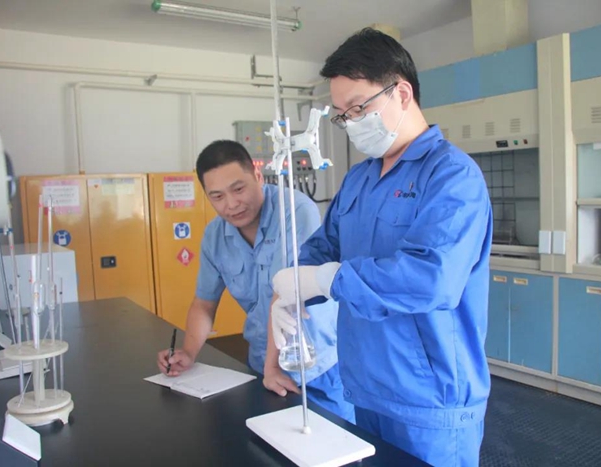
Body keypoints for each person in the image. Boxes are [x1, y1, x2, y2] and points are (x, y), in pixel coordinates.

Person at [270, 28, 492, 466]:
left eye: (358, 108)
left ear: (402, 93)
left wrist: (326, 280)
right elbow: (326, 247)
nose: (351, 123)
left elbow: (431, 279)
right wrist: (290, 286)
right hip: (366, 389)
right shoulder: (359, 179)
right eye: (342, 115)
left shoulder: (451, 175)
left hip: (429, 401)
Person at [157, 140, 354, 423]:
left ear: (258, 176)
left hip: (317, 363)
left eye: (239, 189)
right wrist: (187, 353)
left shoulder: (295, 210)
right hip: (262, 362)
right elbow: (204, 303)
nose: (231, 204)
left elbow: (285, 293)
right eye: (217, 196)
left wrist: (273, 367)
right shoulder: (215, 236)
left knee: (334, 439)